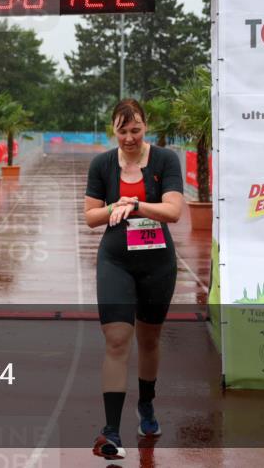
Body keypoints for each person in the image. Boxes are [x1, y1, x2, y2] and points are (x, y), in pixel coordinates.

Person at [83, 98, 184, 459]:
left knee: (149, 338)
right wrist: (115, 206)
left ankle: (146, 404)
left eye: (136, 130)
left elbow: (173, 211)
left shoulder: (166, 160)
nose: (129, 137)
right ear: (113, 129)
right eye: (122, 130)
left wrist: (137, 205)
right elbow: (91, 217)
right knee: (116, 340)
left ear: (146, 127)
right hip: (116, 261)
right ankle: (110, 430)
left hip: (158, 264)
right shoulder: (102, 164)